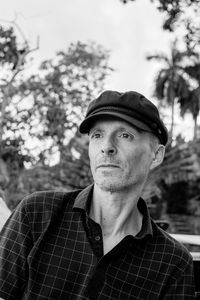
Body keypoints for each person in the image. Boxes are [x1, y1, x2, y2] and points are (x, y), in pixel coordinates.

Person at [0, 90, 195, 299]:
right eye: (97, 135)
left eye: (125, 135)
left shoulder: (172, 262)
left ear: (156, 155)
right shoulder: (36, 214)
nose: (107, 147)